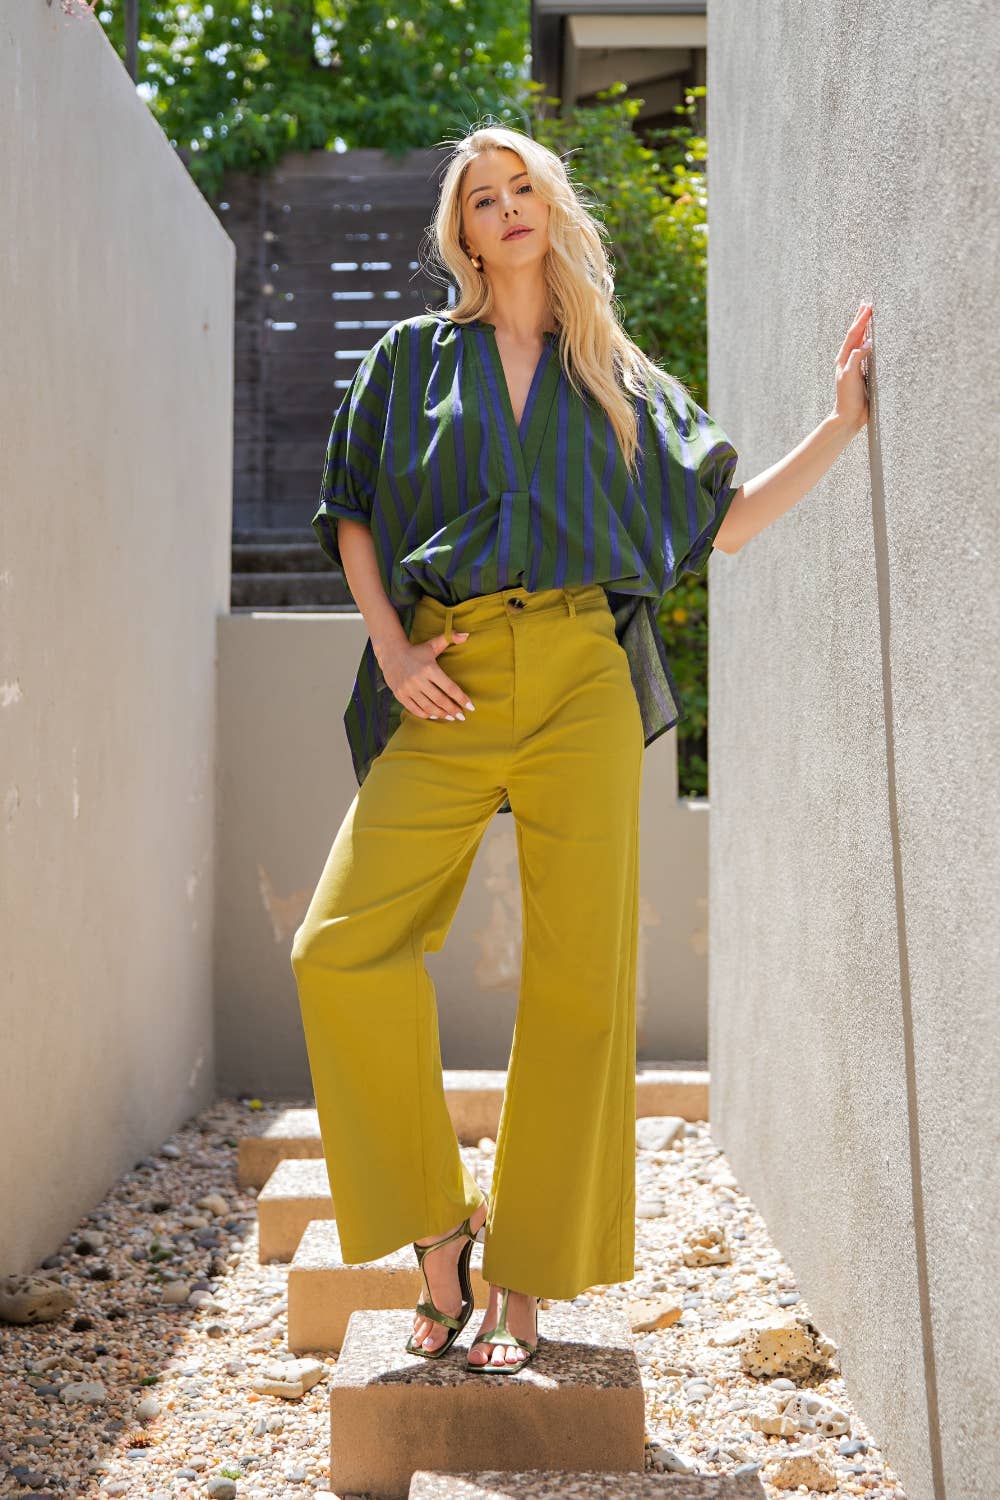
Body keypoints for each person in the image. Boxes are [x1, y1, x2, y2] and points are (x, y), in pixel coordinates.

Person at [290, 122, 873, 1373]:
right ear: (461, 229)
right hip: (441, 672)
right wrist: (391, 650)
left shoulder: (614, 373)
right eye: (482, 198)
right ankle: (439, 1236)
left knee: (579, 988)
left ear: (549, 211)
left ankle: (527, 1286)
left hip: (579, 687)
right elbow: (348, 508)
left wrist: (839, 429)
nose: (505, 211)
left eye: (521, 191)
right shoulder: (409, 361)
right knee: (338, 947)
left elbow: (727, 522)